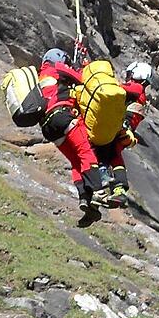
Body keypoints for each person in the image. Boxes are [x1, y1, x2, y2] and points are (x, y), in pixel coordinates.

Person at [37, 48, 109, 226]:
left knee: (76, 162)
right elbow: (82, 78)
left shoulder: (41, 78)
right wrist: (82, 65)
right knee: (85, 152)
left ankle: (85, 199)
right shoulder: (58, 68)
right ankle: (98, 191)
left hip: (48, 126)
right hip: (62, 115)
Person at [93, 61, 152, 208]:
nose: (128, 77)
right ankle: (119, 190)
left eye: (130, 74)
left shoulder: (136, 87)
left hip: (118, 128)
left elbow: (116, 89)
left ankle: (99, 182)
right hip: (125, 133)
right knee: (115, 158)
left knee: (99, 152)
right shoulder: (141, 93)